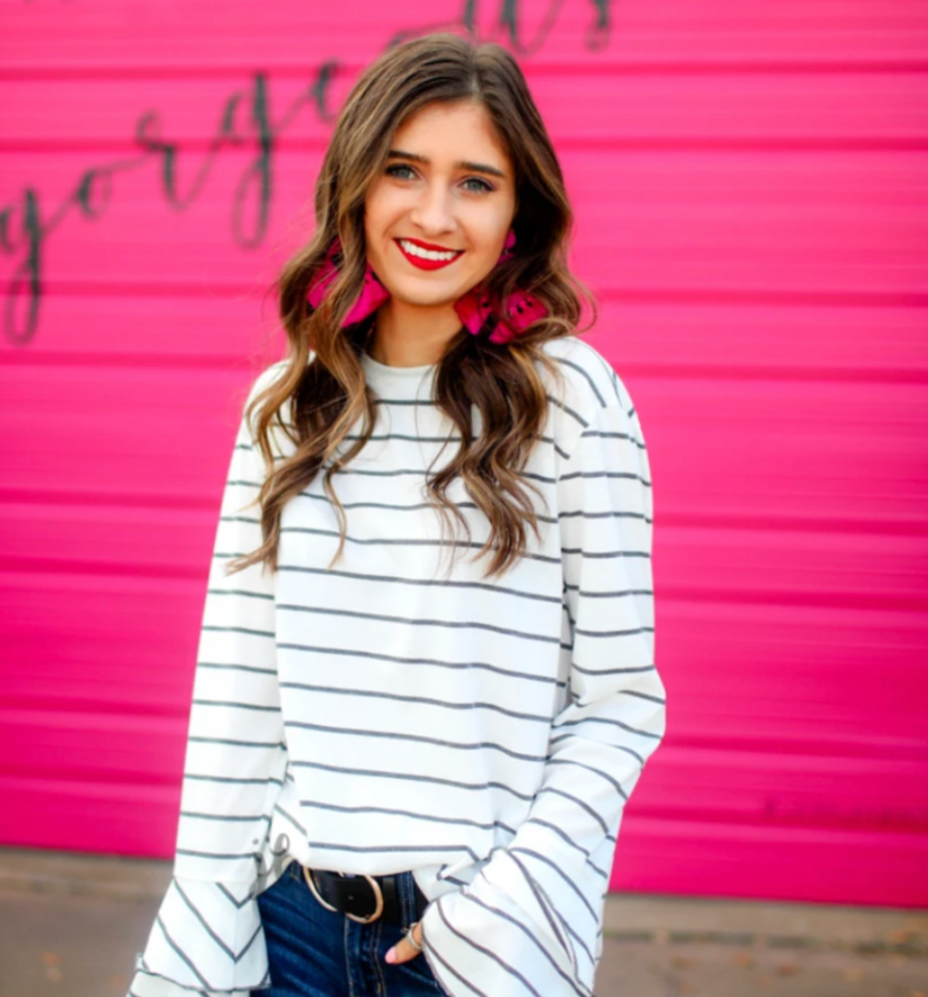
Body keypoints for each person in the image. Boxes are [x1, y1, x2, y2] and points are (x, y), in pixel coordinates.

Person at [127, 32, 666, 997]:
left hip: (472, 948)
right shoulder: (284, 412)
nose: (432, 214)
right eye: (403, 171)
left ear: (518, 211)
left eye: (475, 182)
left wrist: (505, 910)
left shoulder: (574, 401)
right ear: (356, 186)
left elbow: (619, 702)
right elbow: (236, 706)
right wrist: (198, 938)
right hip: (288, 928)